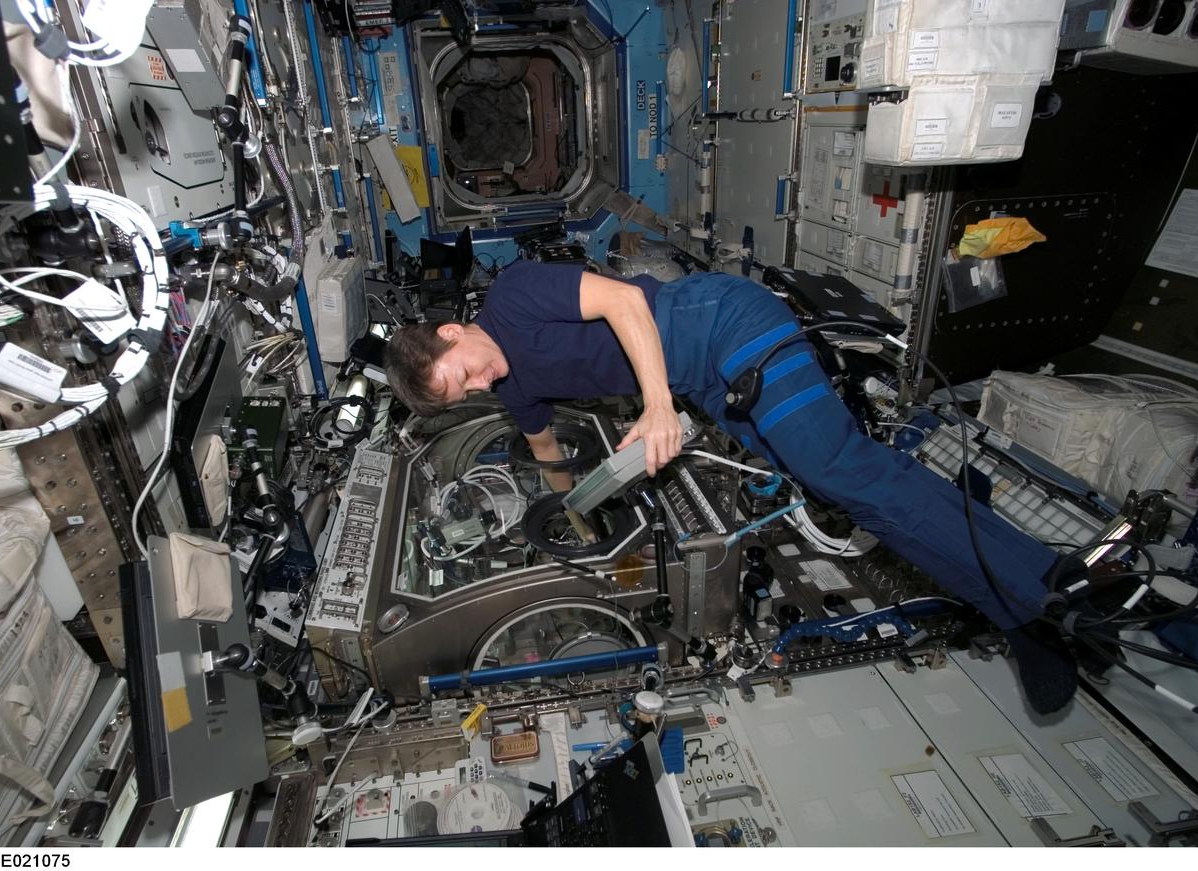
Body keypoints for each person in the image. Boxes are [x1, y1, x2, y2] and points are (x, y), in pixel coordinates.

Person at [385, 260, 1077, 714]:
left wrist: (656, 406)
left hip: (726, 321)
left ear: (452, 332)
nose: (482, 382)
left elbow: (625, 302)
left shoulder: (513, 298)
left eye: (464, 372)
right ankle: (1019, 606)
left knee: (845, 469)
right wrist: (575, 521)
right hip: (709, 381)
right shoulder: (516, 385)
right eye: (466, 393)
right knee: (850, 488)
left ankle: (1046, 585)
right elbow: (546, 452)